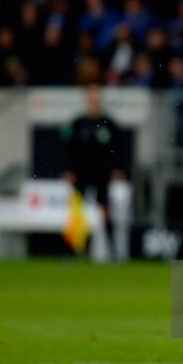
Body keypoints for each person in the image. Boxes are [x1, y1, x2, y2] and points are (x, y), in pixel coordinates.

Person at [61, 83, 130, 260]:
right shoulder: (78, 123)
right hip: (81, 173)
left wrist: (118, 168)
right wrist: (68, 169)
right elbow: (67, 148)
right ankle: (73, 251)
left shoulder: (108, 123)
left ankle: (113, 251)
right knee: (76, 213)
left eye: (96, 96)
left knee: (105, 210)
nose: (93, 99)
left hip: (102, 173)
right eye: (91, 96)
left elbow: (119, 148)